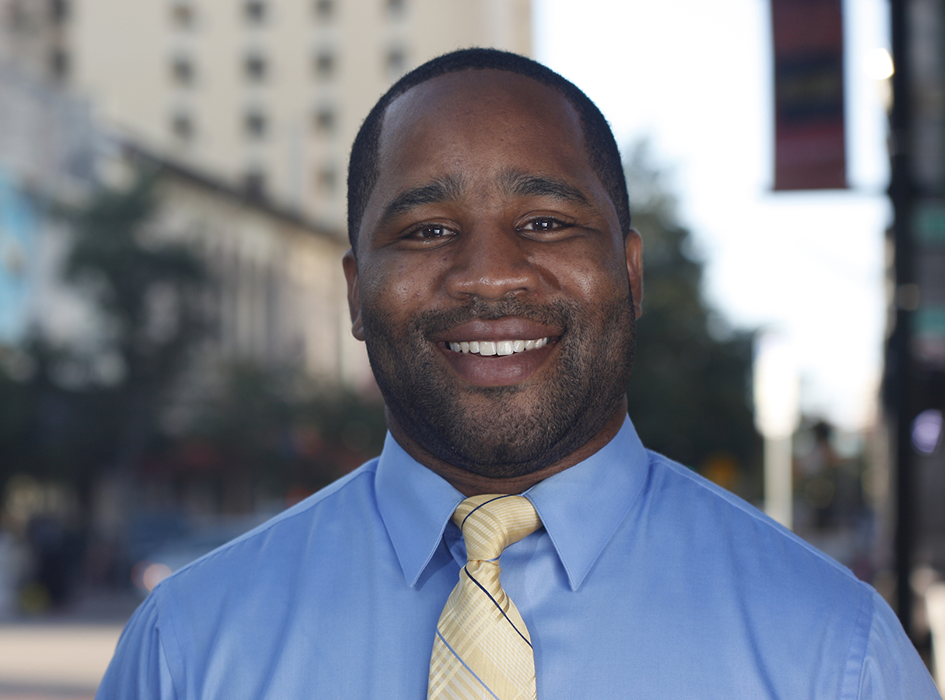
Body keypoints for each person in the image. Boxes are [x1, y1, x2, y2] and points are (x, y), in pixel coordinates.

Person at [95, 48, 939, 699]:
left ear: (632, 276)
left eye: (544, 222)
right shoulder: (187, 648)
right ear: (356, 294)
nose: (489, 275)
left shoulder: (835, 653)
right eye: (427, 231)